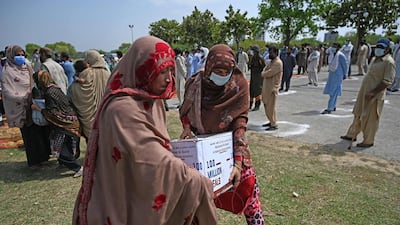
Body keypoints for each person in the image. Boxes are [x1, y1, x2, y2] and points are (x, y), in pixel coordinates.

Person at [72, 36, 217, 225]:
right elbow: (151, 163)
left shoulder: (152, 100)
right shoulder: (122, 109)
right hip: (123, 203)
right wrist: (197, 180)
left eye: (171, 70)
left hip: (140, 192)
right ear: (142, 69)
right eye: (161, 71)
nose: (168, 79)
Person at [179, 44, 265, 225]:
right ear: (209, 66)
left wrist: (238, 164)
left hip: (233, 150)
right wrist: (187, 127)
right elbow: (185, 111)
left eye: (226, 71)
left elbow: (240, 124)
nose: (222, 75)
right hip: (203, 155)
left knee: (250, 197)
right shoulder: (195, 85)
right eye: (217, 70)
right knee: (196, 202)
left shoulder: (239, 85)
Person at [0, 45, 51, 167]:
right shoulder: (7, 71)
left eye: (23, 55)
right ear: (11, 55)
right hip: (22, 108)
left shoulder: (27, 67)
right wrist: (24, 98)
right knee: (30, 135)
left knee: (39, 132)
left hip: (33, 105)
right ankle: (34, 161)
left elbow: (34, 82)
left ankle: (44, 157)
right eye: (18, 55)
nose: (21, 57)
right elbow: (8, 92)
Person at [340, 38, 395, 147]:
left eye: (382, 48)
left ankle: (368, 140)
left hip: (375, 95)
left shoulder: (389, 62)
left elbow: (387, 81)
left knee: (370, 118)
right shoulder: (375, 59)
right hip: (364, 91)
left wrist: (373, 92)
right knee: (358, 113)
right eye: (378, 47)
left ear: (387, 49)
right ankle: (352, 134)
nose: (378, 49)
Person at [31, 70, 82, 177]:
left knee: (60, 150)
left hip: (64, 124)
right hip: (71, 121)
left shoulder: (49, 93)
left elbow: (53, 113)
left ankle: (77, 168)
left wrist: (38, 109)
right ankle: (65, 164)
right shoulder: (55, 88)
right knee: (67, 147)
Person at [68, 50, 110, 141]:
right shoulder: (108, 74)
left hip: (90, 120)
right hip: (106, 116)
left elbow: (76, 90)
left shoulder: (87, 72)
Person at [321, 42, 347, 114]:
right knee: (331, 91)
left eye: (334, 46)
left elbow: (345, 65)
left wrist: (345, 74)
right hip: (332, 75)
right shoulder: (332, 55)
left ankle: (330, 108)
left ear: (338, 47)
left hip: (338, 75)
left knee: (334, 91)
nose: (332, 47)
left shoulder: (341, 55)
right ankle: (333, 105)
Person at [261, 46, 283, 131]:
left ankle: (273, 124)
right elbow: (265, 69)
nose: (269, 54)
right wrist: (264, 72)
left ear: (276, 53)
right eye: (269, 52)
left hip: (272, 88)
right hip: (267, 87)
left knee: (271, 106)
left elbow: (268, 73)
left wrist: (263, 73)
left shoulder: (278, 63)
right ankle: (270, 121)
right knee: (267, 105)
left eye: (271, 53)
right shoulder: (272, 62)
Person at [248, 45, 265, 111]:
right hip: (253, 76)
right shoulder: (252, 58)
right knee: (251, 91)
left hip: (258, 77)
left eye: (253, 50)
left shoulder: (260, 58)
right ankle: (250, 105)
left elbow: (263, 67)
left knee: (257, 91)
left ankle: (257, 105)